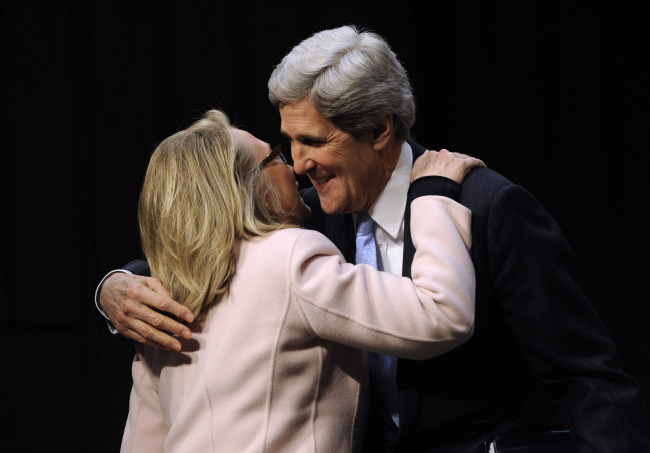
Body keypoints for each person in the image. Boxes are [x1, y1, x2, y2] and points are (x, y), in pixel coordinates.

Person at [97, 26, 650, 452]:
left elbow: (587, 377)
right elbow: (205, 254)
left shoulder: (487, 208)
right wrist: (115, 286)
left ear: (380, 130)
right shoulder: (301, 215)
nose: (297, 164)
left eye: (313, 141)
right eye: (286, 143)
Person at [119, 108, 483, 452]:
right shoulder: (287, 255)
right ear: (242, 187)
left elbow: (141, 442)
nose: (293, 167)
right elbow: (441, 313)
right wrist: (432, 195)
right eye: (274, 157)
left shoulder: (158, 298)